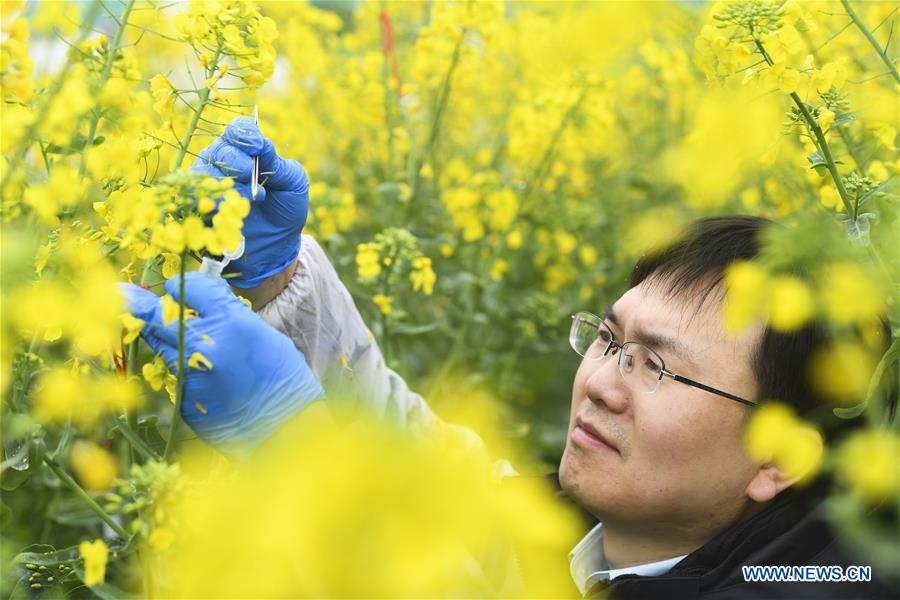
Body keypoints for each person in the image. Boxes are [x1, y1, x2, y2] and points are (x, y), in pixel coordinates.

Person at [120, 118, 897, 599]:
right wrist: (278, 282)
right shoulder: (594, 539)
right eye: (609, 339)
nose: (601, 385)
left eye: (656, 368)